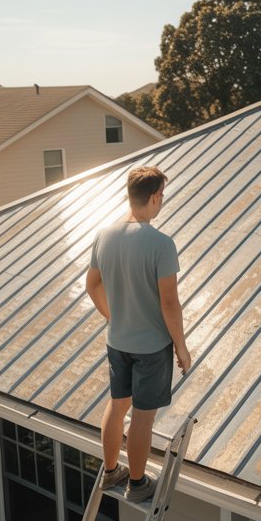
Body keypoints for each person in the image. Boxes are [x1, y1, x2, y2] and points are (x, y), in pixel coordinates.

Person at [84, 166, 192, 503]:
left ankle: (112, 469)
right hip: (150, 348)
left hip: (118, 341)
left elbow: (92, 285)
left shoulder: (104, 235)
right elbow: (170, 304)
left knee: (118, 406)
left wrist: (113, 317)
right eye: (163, 196)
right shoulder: (161, 244)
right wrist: (182, 348)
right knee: (143, 417)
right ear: (156, 197)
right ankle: (137, 482)